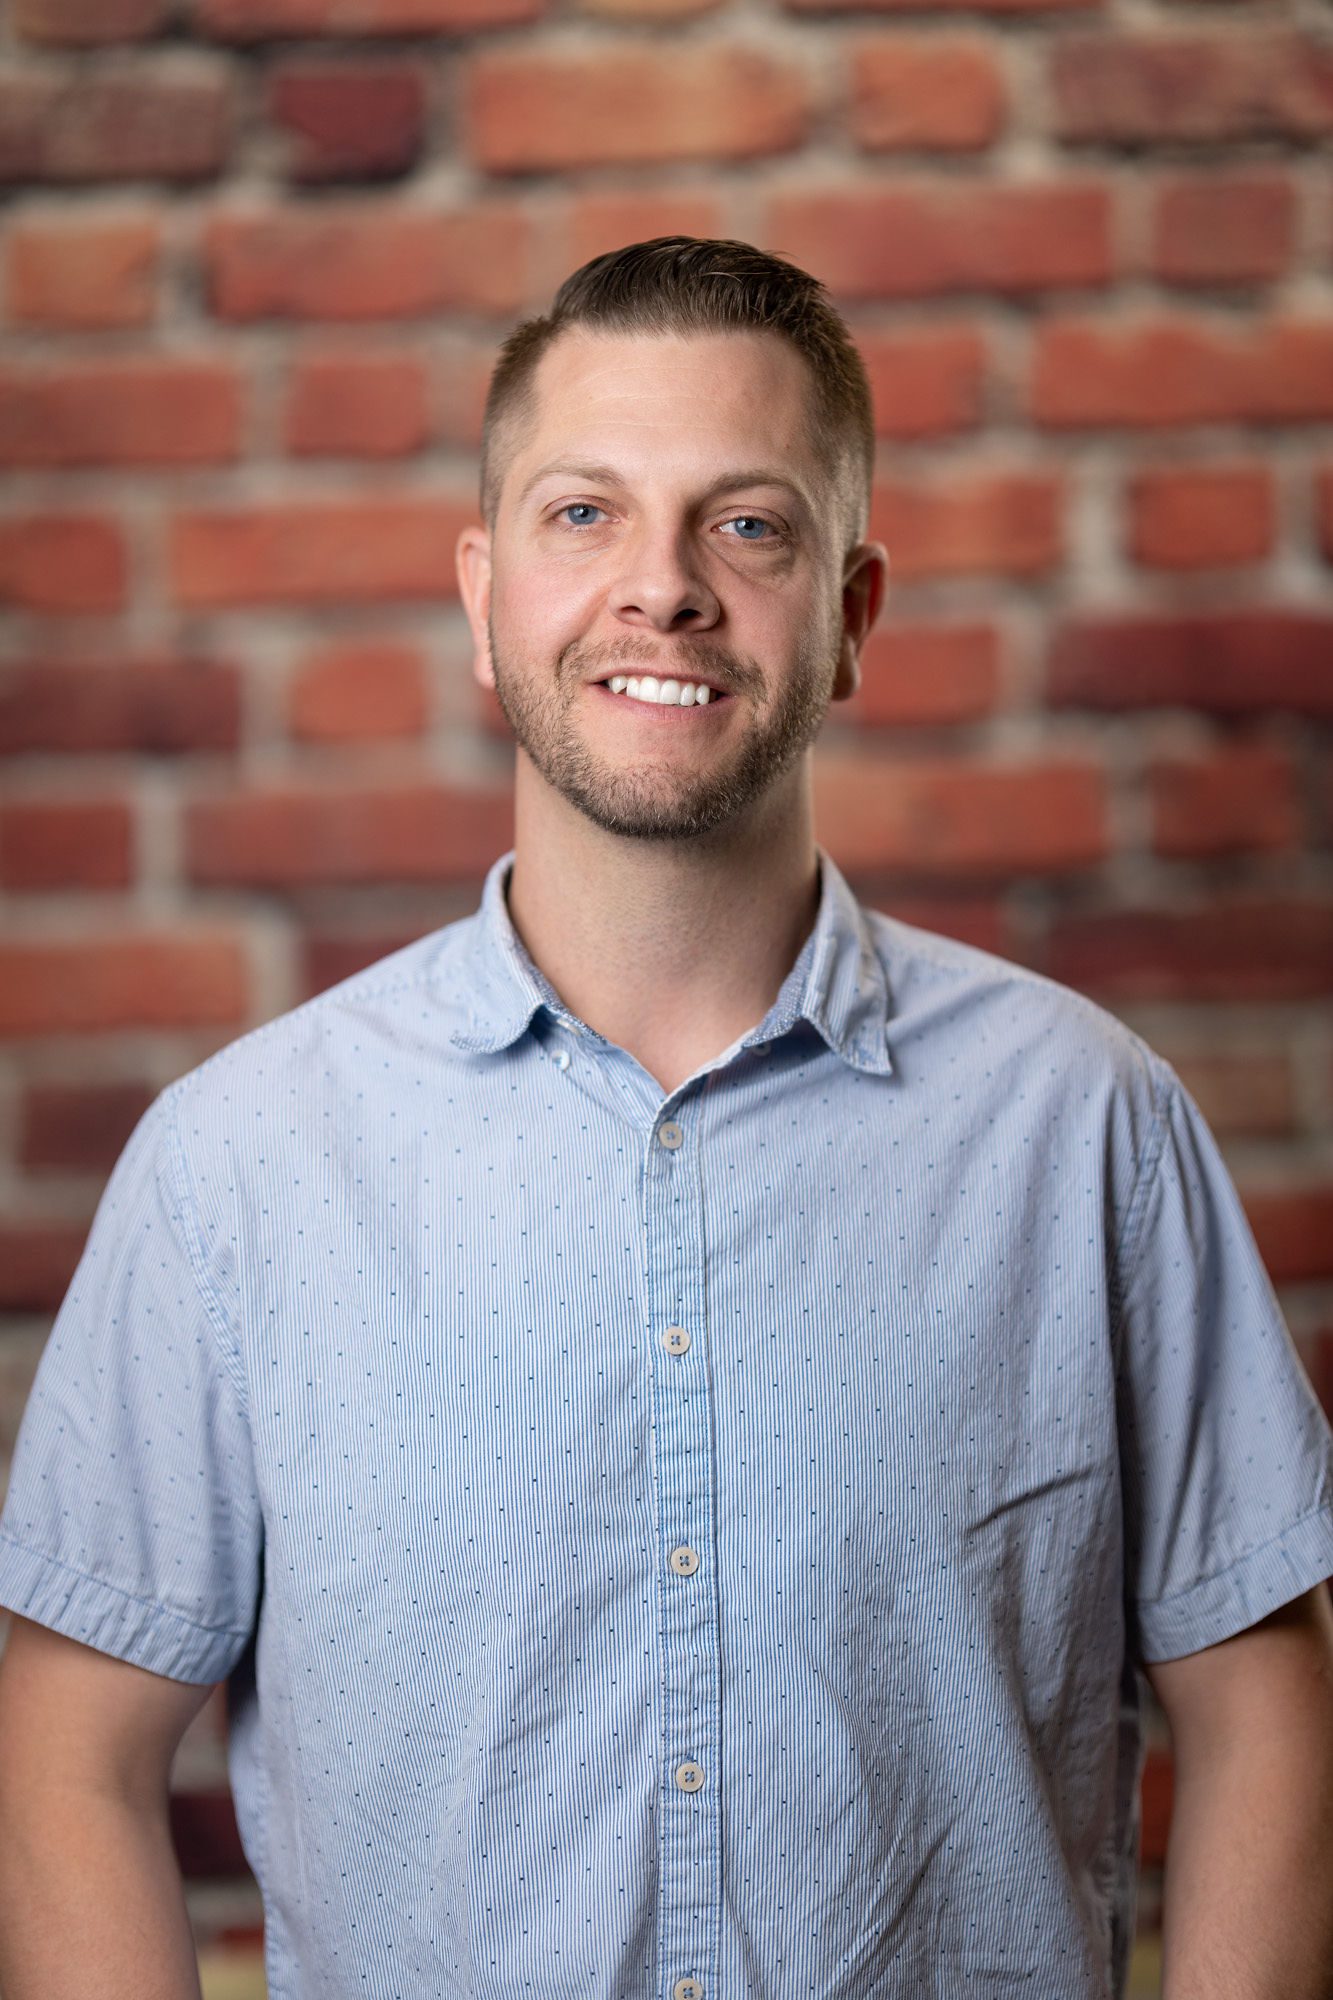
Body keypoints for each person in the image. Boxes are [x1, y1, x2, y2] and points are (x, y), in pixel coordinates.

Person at [0, 236, 1330, 2000]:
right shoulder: (237, 1168)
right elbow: (65, 1754)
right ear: (481, 599)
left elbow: (1266, 1713)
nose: (665, 591)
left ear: (851, 617)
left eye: (747, 525)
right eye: (582, 515)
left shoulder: (1085, 1129)